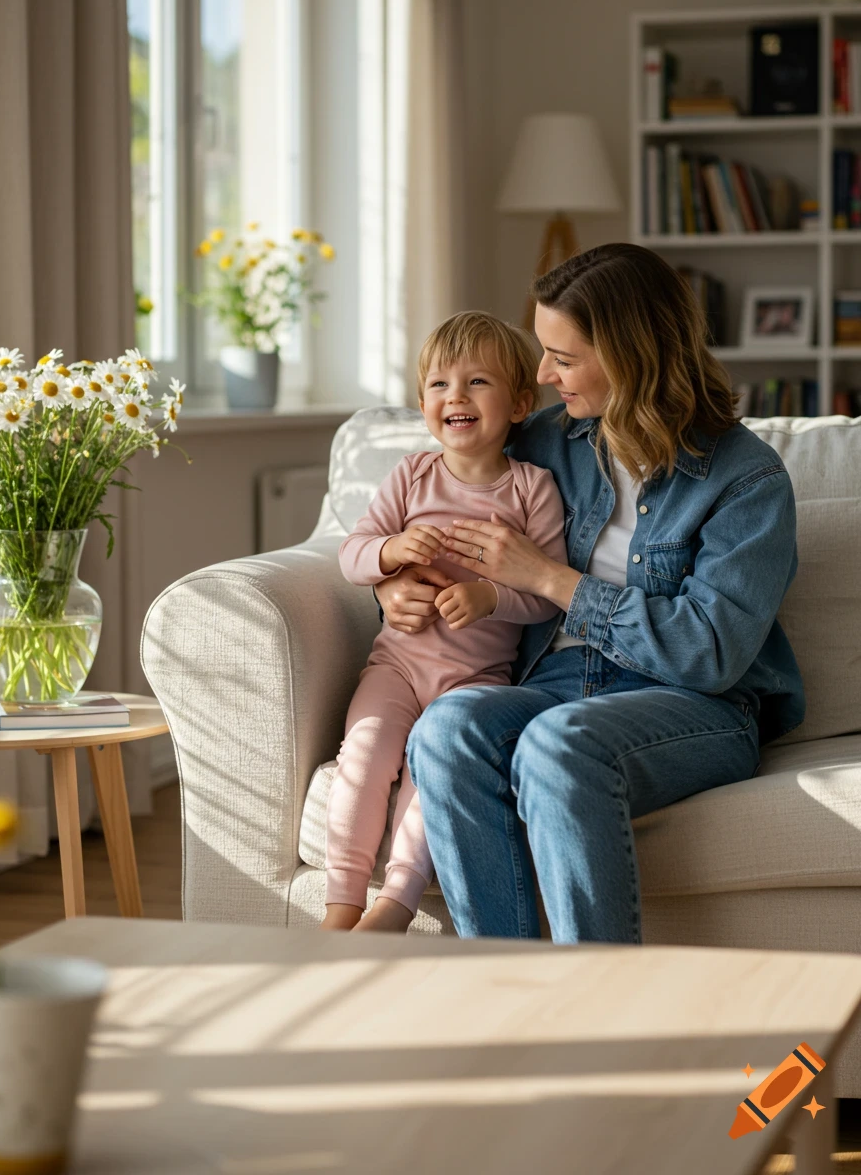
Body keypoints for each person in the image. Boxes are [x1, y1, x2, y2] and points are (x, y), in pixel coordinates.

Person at [376, 243, 805, 943]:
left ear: (631, 355)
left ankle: (600, 998)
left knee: (557, 743)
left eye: (563, 358)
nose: (543, 374)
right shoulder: (546, 441)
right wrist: (394, 587)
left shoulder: (746, 481)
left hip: (692, 703)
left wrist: (551, 579)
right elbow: (435, 506)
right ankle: (507, 993)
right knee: (448, 730)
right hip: (556, 682)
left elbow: (710, 654)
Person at [322, 312, 567, 933]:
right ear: (423, 402)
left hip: (477, 679)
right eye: (438, 384)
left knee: (433, 779)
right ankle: (341, 904)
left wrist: (491, 597)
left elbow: (545, 596)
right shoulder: (410, 476)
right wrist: (389, 557)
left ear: (518, 404)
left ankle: (392, 907)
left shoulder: (532, 490)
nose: (454, 396)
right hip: (397, 665)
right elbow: (351, 551)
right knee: (366, 754)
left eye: (476, 382)